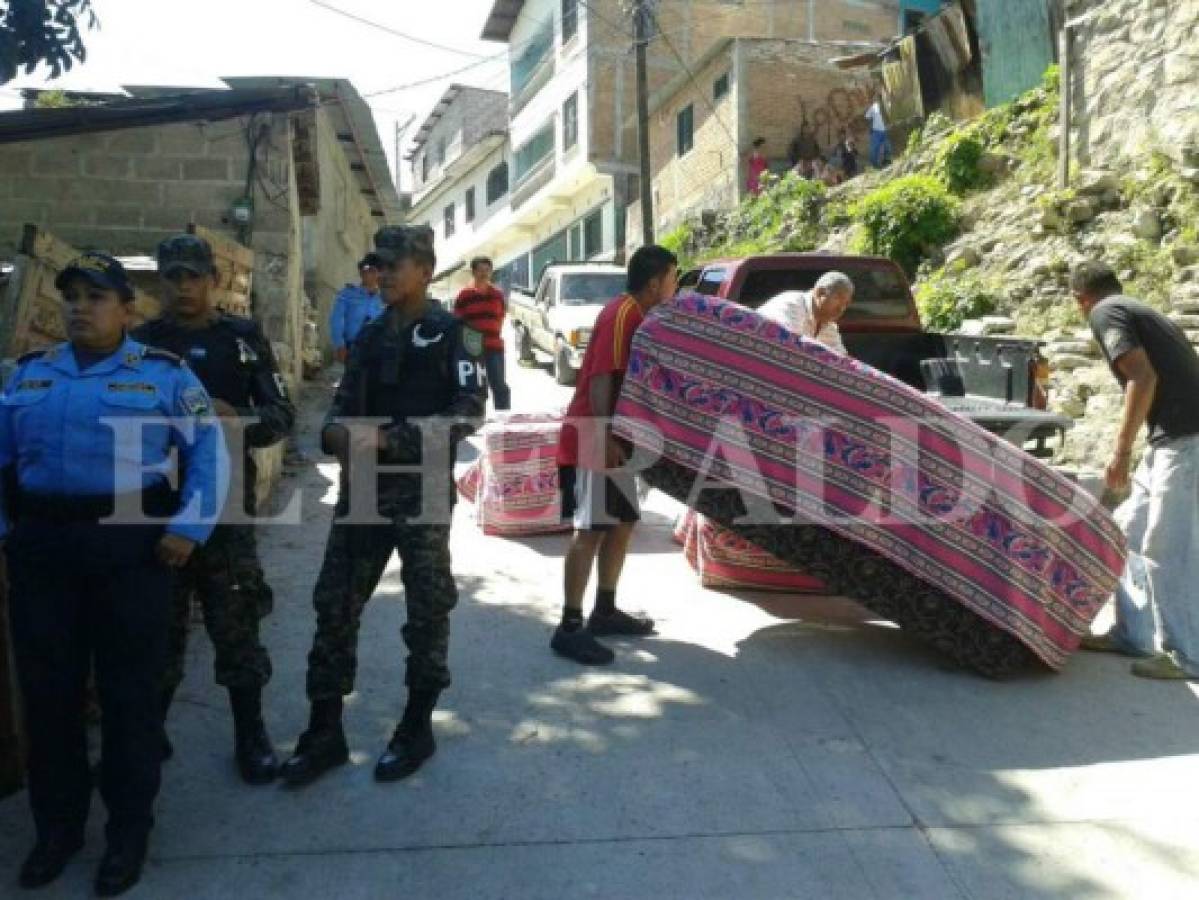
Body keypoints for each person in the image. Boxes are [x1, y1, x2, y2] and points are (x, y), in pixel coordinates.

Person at [1, 252, 226, 895]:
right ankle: (58, 828)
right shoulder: (29, 376)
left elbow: (208, 455)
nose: (80, 306)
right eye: (71, 295)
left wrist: (188, 529)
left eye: (97, 297)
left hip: (133, 550)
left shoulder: (163, 375)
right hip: (44, 548)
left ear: (128, 311)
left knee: (130, 697)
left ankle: (128, 831)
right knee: (50, 696)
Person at [281, 226, 486, 786]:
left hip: (421, 491)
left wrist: (394, 439)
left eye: (396, 265)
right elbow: (341, 406)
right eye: (379, 265)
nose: (384, 274)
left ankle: (416, 726)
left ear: (425, 269)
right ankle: (324, 731)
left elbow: (468, 412)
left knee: (426, 607)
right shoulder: (370, 336)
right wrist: (333, 437)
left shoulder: (453, 336)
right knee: (334, 605)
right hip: (364, 491)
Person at [132, 234, 296, 784]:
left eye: (193, 276)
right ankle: (147, 734)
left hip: (226, 510)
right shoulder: (141, 346)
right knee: (158, 632)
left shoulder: (242, 340)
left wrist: (238, 418)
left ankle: (251, 736)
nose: (182, 286)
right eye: (172, 276)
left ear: (213, 280)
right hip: (155, 510)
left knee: (237, 626)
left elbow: (281, 415)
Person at [1071, 262, 1199, 681]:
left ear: (1080, 299)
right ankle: (1133, 634)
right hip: (1170, 439)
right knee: (1124, 530)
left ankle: (1188, 653)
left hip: (1187, 440)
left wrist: (1121, 451)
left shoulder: (1105, 312)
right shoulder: (1136, 308)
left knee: (1166, 544)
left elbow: (1142, 377)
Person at [551, 245, 679, 665]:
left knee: (622, 523)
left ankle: (604, 610)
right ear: (655, 282)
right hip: (595, 433)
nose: (675, 287)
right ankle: (569, 627)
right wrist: (605, 435)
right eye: (673, 278)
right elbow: (602, 378)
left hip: (616, 437)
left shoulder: (637, 315)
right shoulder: (622, 314)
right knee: (589, 531)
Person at [454, 256, 511, 411]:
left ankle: (503, 420)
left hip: (494, 347)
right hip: (472, 349)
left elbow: (501, 316)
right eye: (480, 270)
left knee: (499, 386)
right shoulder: (464, 295)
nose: (484, 274)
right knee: (476, 388)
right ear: (473, 272)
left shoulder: (497, 295)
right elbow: (457, 321)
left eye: (487, 270)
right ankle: (478, 421)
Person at [757, 271, 854, 355]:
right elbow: (789, 345)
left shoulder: (827, 324)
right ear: (820, 293)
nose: (841, 308)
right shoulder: (792, 304)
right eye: (838, 299)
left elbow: (842, 359)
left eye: (846, 303)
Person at [329, 254, 385, 363]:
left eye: (372, 270)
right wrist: (339, 345)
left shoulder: (384, 297)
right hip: (353, 348)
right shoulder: (347, 294)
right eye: (364, 270)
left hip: (377, 349)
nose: (367, 273)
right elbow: (336, 320)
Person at [865, 93, 892, 169]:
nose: (879, 99)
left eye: (880, 97)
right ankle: (874, 165)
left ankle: (887, 160)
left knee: (887, 145)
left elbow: (887, 116)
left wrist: (888, 125)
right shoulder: (874, 107)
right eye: (878, 98)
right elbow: (867, 117)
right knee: (874, 148)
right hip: (876, 131)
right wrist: (870, 127)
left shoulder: (886, 105)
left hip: (884, 130)